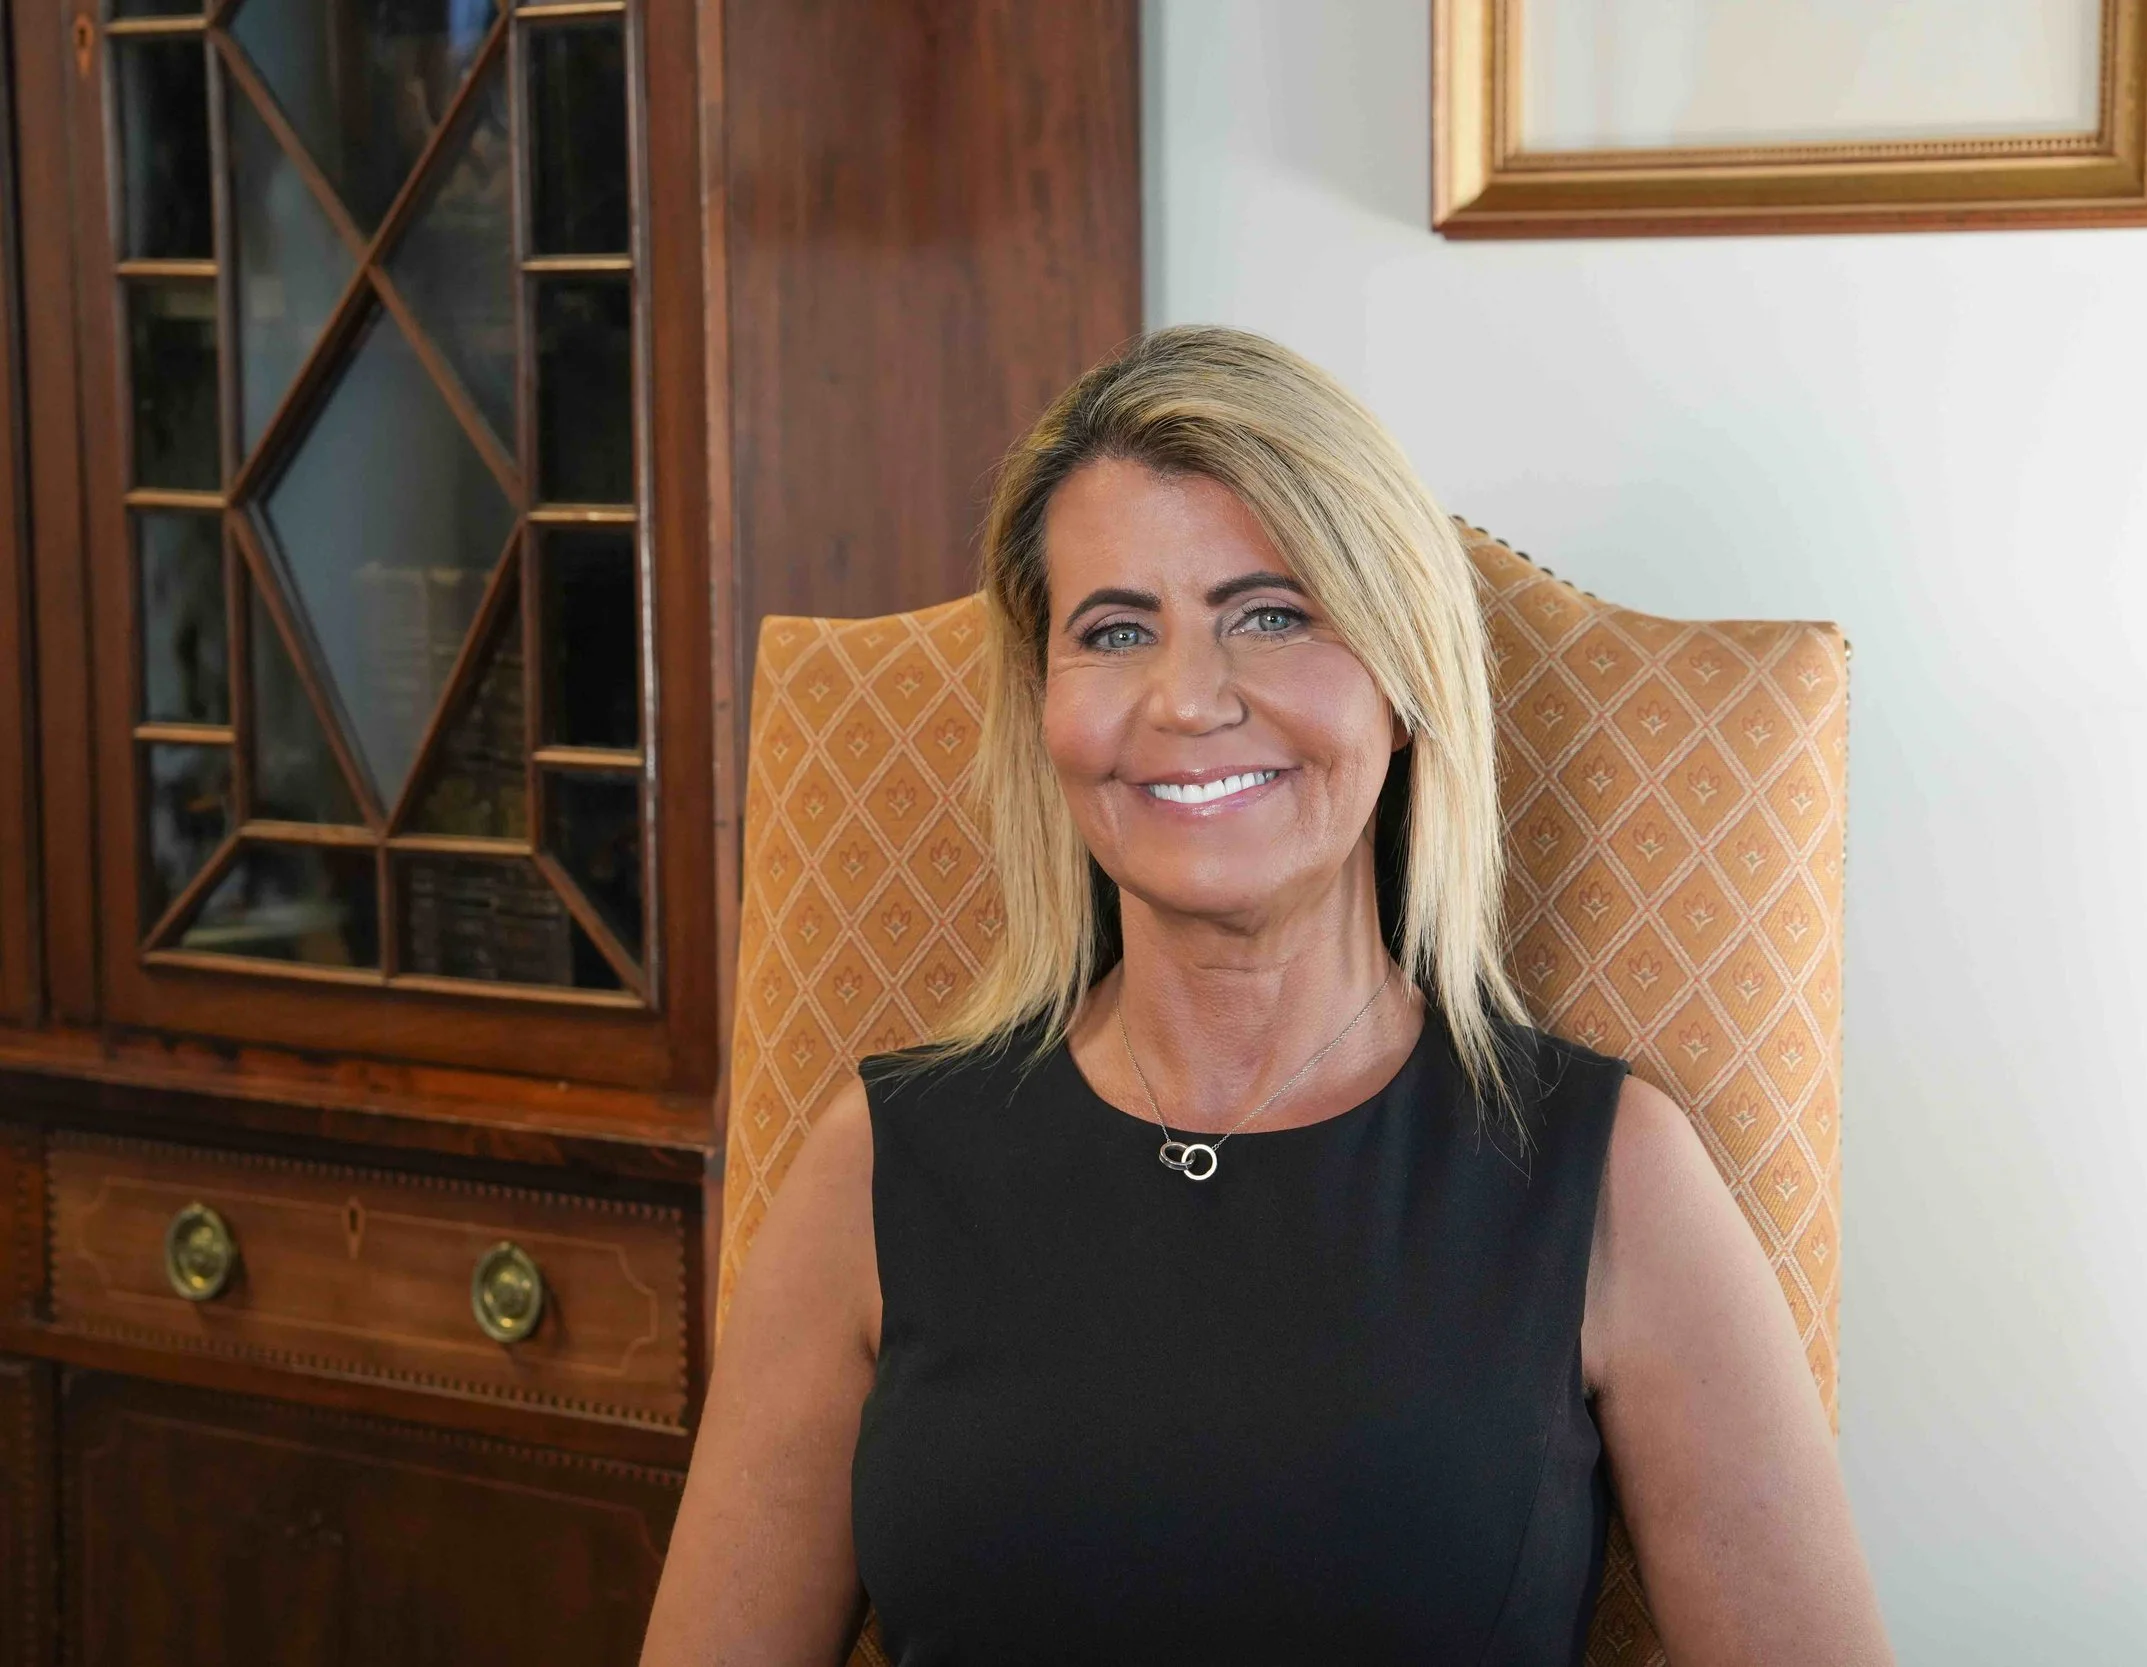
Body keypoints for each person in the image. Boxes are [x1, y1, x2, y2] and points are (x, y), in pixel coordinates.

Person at [640, 326, 1894, 1665]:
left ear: (1404, 684)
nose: (1187, 698)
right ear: (1047, 706)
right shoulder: (878, 1165)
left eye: (1273, 614)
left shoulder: (1608, 1174)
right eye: (1116, 630)